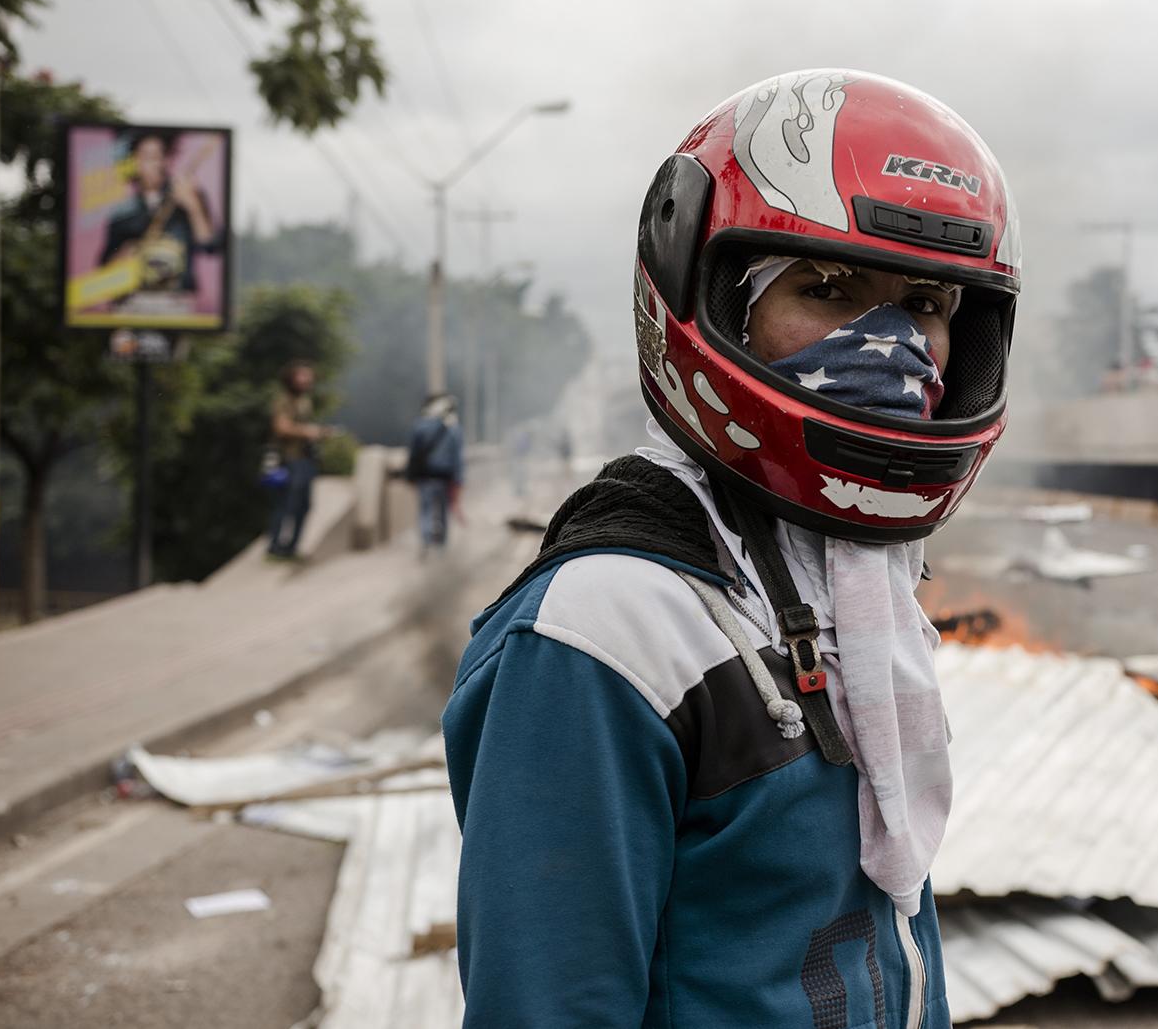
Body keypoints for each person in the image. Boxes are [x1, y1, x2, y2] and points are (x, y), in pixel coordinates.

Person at [442, 70, 1021, 1027]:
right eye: (827, 288)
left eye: (925, 304)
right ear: (707, 295)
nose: (891, 346)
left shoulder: (859, 591)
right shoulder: (606, 630)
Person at [99, 132, 221, 295]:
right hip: (134, 301)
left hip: (179, 301)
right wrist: (123, 257)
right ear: (133, 162)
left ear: (165, 160)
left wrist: (193, 207)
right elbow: (104, 270)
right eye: (146, 157)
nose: (153, 164)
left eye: (158, 157)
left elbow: (210, 246)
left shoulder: (188, 194)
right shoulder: (122, 213)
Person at [266, 362, 327, 561]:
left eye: (308, 377)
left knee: (304, 505)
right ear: (291, 378)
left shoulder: (304, 401)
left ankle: (291, 547)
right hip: (291, 459)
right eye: (302, 376)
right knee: (286, 504)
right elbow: (281, 428)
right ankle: (275, 546)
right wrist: (308, 432)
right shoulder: (284, 400)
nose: (307, 380)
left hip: (306, 458)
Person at [407, 392, 465, 557]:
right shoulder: (454, 428)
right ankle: (441, 547)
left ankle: (425, 543)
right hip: (444, 478)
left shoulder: (421, 425)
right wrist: (459, 481)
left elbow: (413, 453)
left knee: (425, 511)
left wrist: (410, 475)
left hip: (425, 478)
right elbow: (457, 458)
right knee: (442, 514)